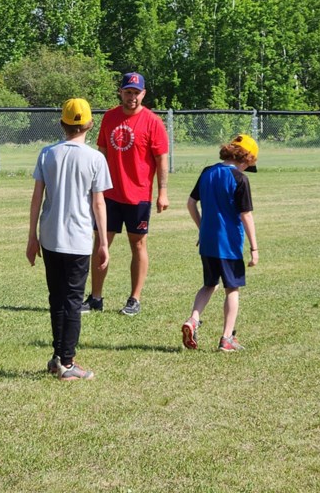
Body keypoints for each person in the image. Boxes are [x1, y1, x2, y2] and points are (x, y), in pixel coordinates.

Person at [27, 99, 112, 380]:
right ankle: (67, 361)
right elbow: (99, 204)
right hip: (77, 239)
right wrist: (102, 242)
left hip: (50, 236)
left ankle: (57, 356)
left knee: (57, 298)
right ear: (89, 124)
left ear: (62, 124)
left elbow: (37, 198)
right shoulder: (95, 158)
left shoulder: (47, 154)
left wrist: (31, 237)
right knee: (73, 301)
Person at [81, 72, 169, 316]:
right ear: (121, 92)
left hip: (138, 195)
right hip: (109, 194)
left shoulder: (152, 122)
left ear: (143, 94)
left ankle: (134, 298)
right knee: (101, 243)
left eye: (136, 92)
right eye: (128, 92)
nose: (132, 97)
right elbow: (101, 153)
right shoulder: (110, 117)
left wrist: (162, 192)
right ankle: (95, 297)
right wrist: (93, 187)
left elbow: (161, 160)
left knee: (138, 244)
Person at [181, 134, 259, 352]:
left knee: (209, 284)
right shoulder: (239, 179)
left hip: (207, 241)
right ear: (246, 158)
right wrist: (254, 248)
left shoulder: (208, 172)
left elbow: (190, 203)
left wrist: (203, 227)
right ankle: (227, 339)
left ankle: (193, 320)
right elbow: (246, 215)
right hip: (229, 244)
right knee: (232, 289)